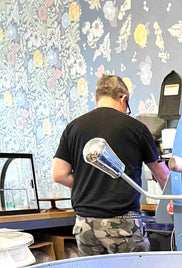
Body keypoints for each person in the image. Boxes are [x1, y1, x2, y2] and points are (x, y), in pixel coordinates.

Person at [52, 74, 169, 255]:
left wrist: (89, 184)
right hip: (121, 223)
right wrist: (176, 203)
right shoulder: (136, 128)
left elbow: (59, 174)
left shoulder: (73, 127)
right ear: (123, 99)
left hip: (84, 224)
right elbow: (161, 174)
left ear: (96, 100)